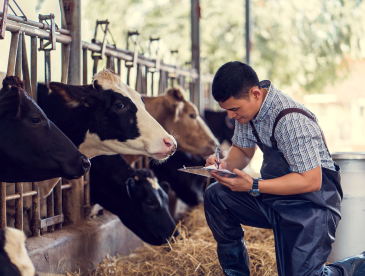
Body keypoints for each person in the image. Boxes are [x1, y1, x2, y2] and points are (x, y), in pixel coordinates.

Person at [204, 61, 365, 276]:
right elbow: (243, 152)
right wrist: (223, 165)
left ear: (255, 94)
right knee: (216, 195)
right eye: (227, 110)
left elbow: (311, 181)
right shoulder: (247, 113)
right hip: (276, 198)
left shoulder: (291, 120)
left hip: (312, 205)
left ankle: (357, 266)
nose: (231, 117)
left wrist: (253, 184)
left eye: (234, 109)